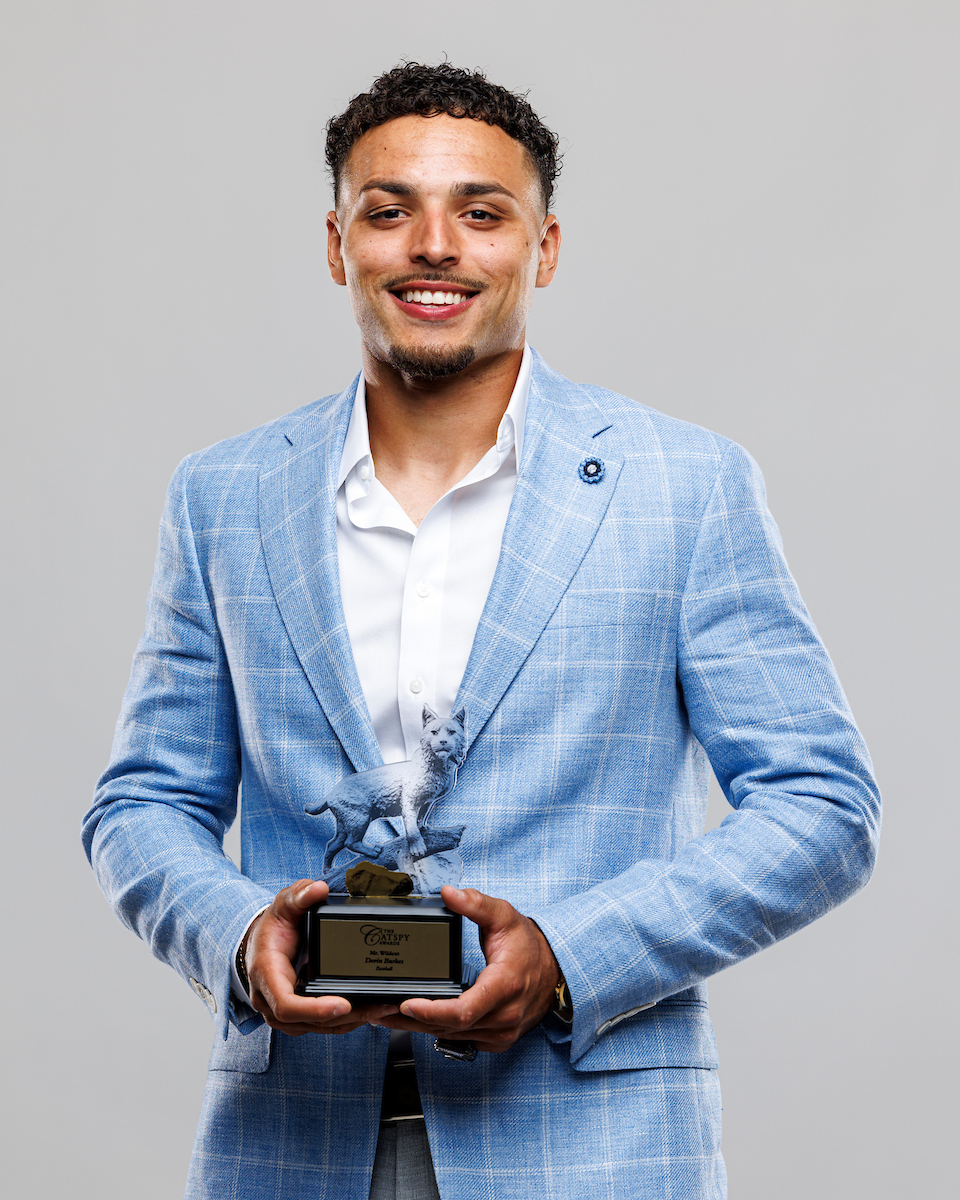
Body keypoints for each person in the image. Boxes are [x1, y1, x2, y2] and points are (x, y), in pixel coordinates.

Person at [83, 62, 880, 1200]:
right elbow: (144, 803)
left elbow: (822, 806)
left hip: (592, 1151)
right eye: (389, 211)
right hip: (290, 1146)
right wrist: (239, 937)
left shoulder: (684, 487)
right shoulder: (224, 496)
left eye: (481, 213)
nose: (434, 246)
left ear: (543, 249)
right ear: (336, 245)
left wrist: (570, 956)